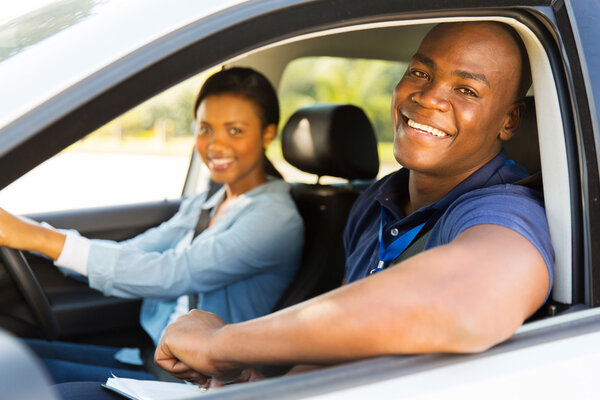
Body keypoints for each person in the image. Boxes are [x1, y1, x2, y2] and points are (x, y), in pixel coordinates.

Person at [150, 21, 554, 387]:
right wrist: (266, 384)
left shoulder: (508, 209)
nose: (429, 97)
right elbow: (343, 347)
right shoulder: (374, 202)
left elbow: (466, 303)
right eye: (420, 72)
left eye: (466, 90)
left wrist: (222, 344)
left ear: (509, 121)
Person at [0, 67, 304, 383]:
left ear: (268, 134)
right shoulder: (207, 203)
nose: (215, 145)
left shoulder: (274, 219)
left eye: (235, 131)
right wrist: (33, 234)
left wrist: (35, 238)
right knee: (15, 356)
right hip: (155, 357)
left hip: (201, 381)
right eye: (205, 129)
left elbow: (171, 273)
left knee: (17, 376)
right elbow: (133, 252)